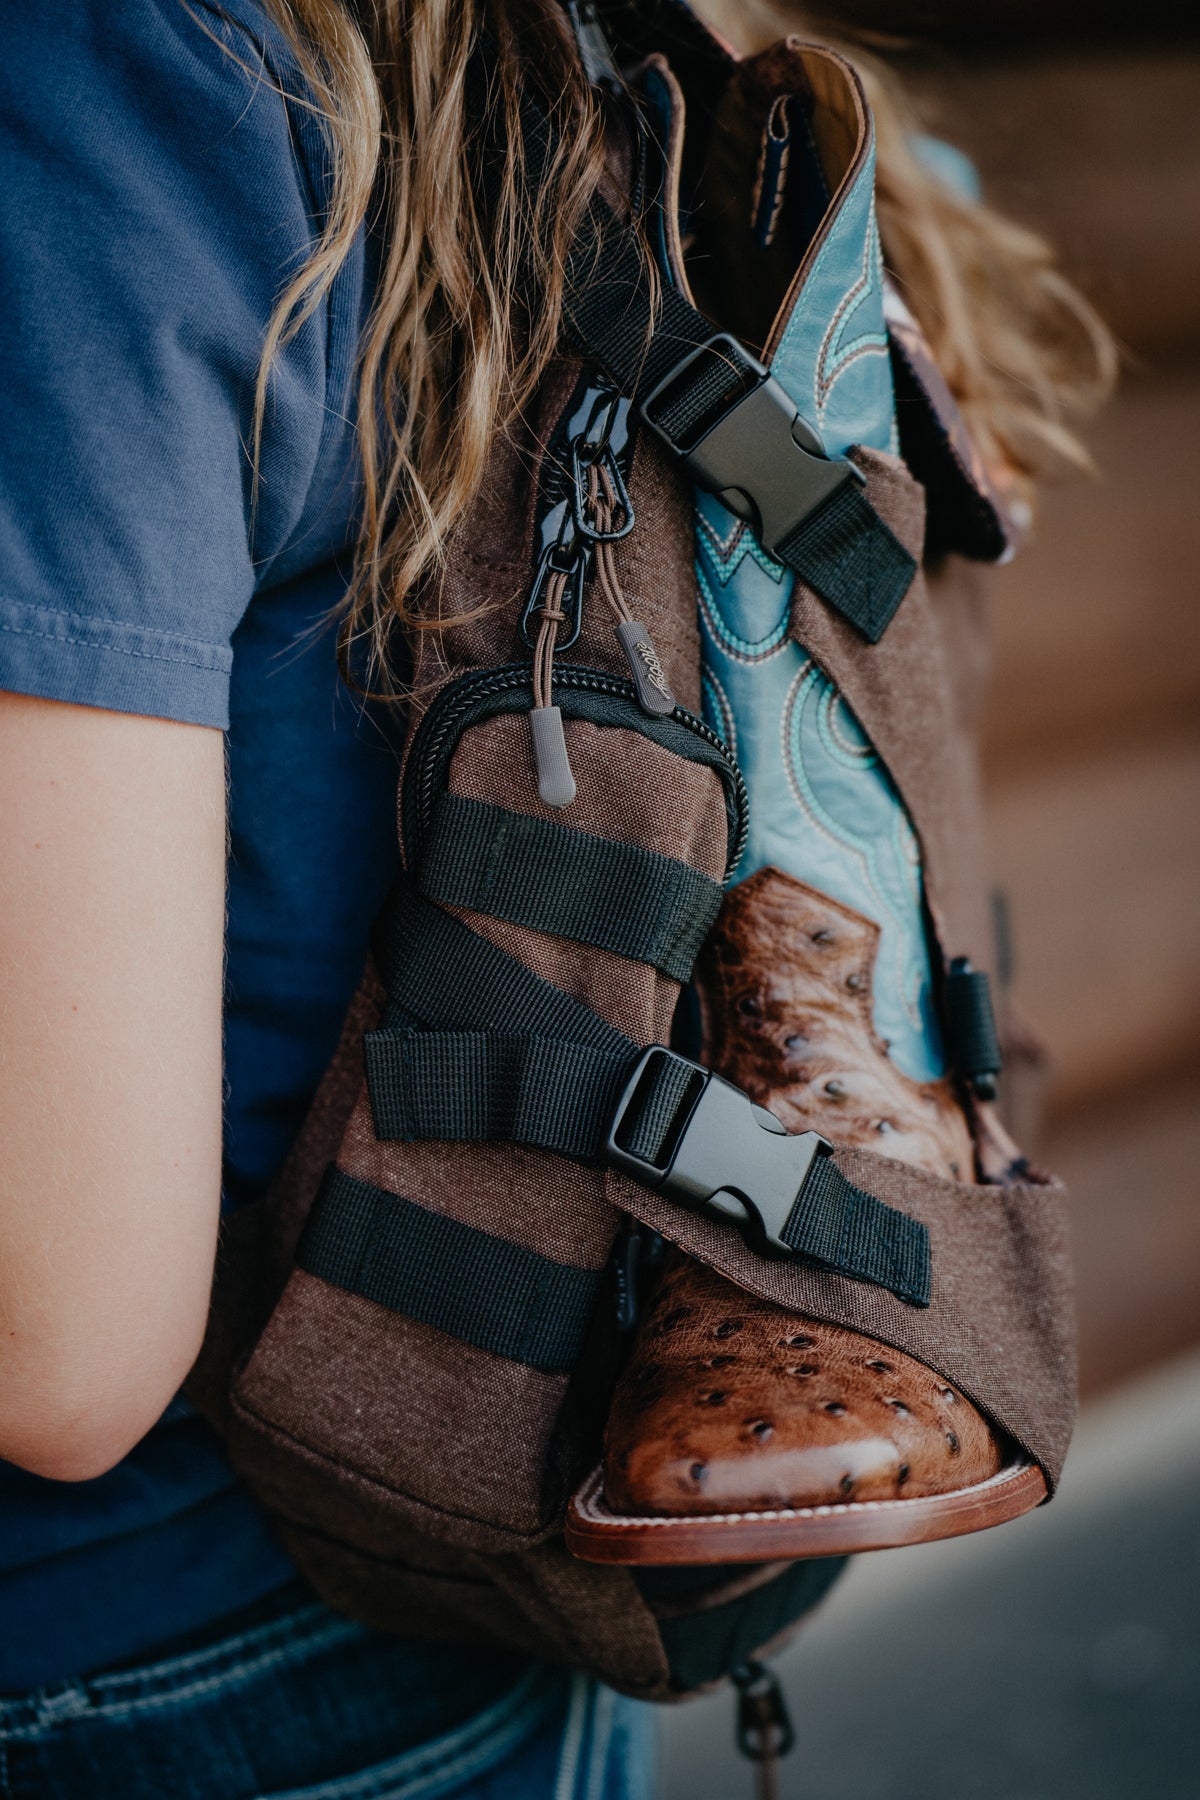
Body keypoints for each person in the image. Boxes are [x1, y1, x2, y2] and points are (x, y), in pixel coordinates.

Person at [0, 2, 1112, 1795]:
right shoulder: (708, 77)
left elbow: (56, 1346)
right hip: (480, 1556)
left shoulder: (117, 84)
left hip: (138, 1662)